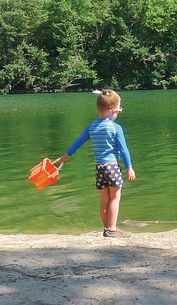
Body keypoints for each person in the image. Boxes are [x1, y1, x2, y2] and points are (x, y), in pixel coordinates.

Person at [58, 89, 136, 238]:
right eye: (118, 111)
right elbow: (124, 150)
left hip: (99, 168)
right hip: (112, 167)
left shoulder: (92, 126)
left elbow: (78, 141)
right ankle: (112, 229)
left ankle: (106, 228)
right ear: (113, 111)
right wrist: (129, 168)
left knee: (104, 200)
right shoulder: (115, 128)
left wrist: (67, 155)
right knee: (115, 198)